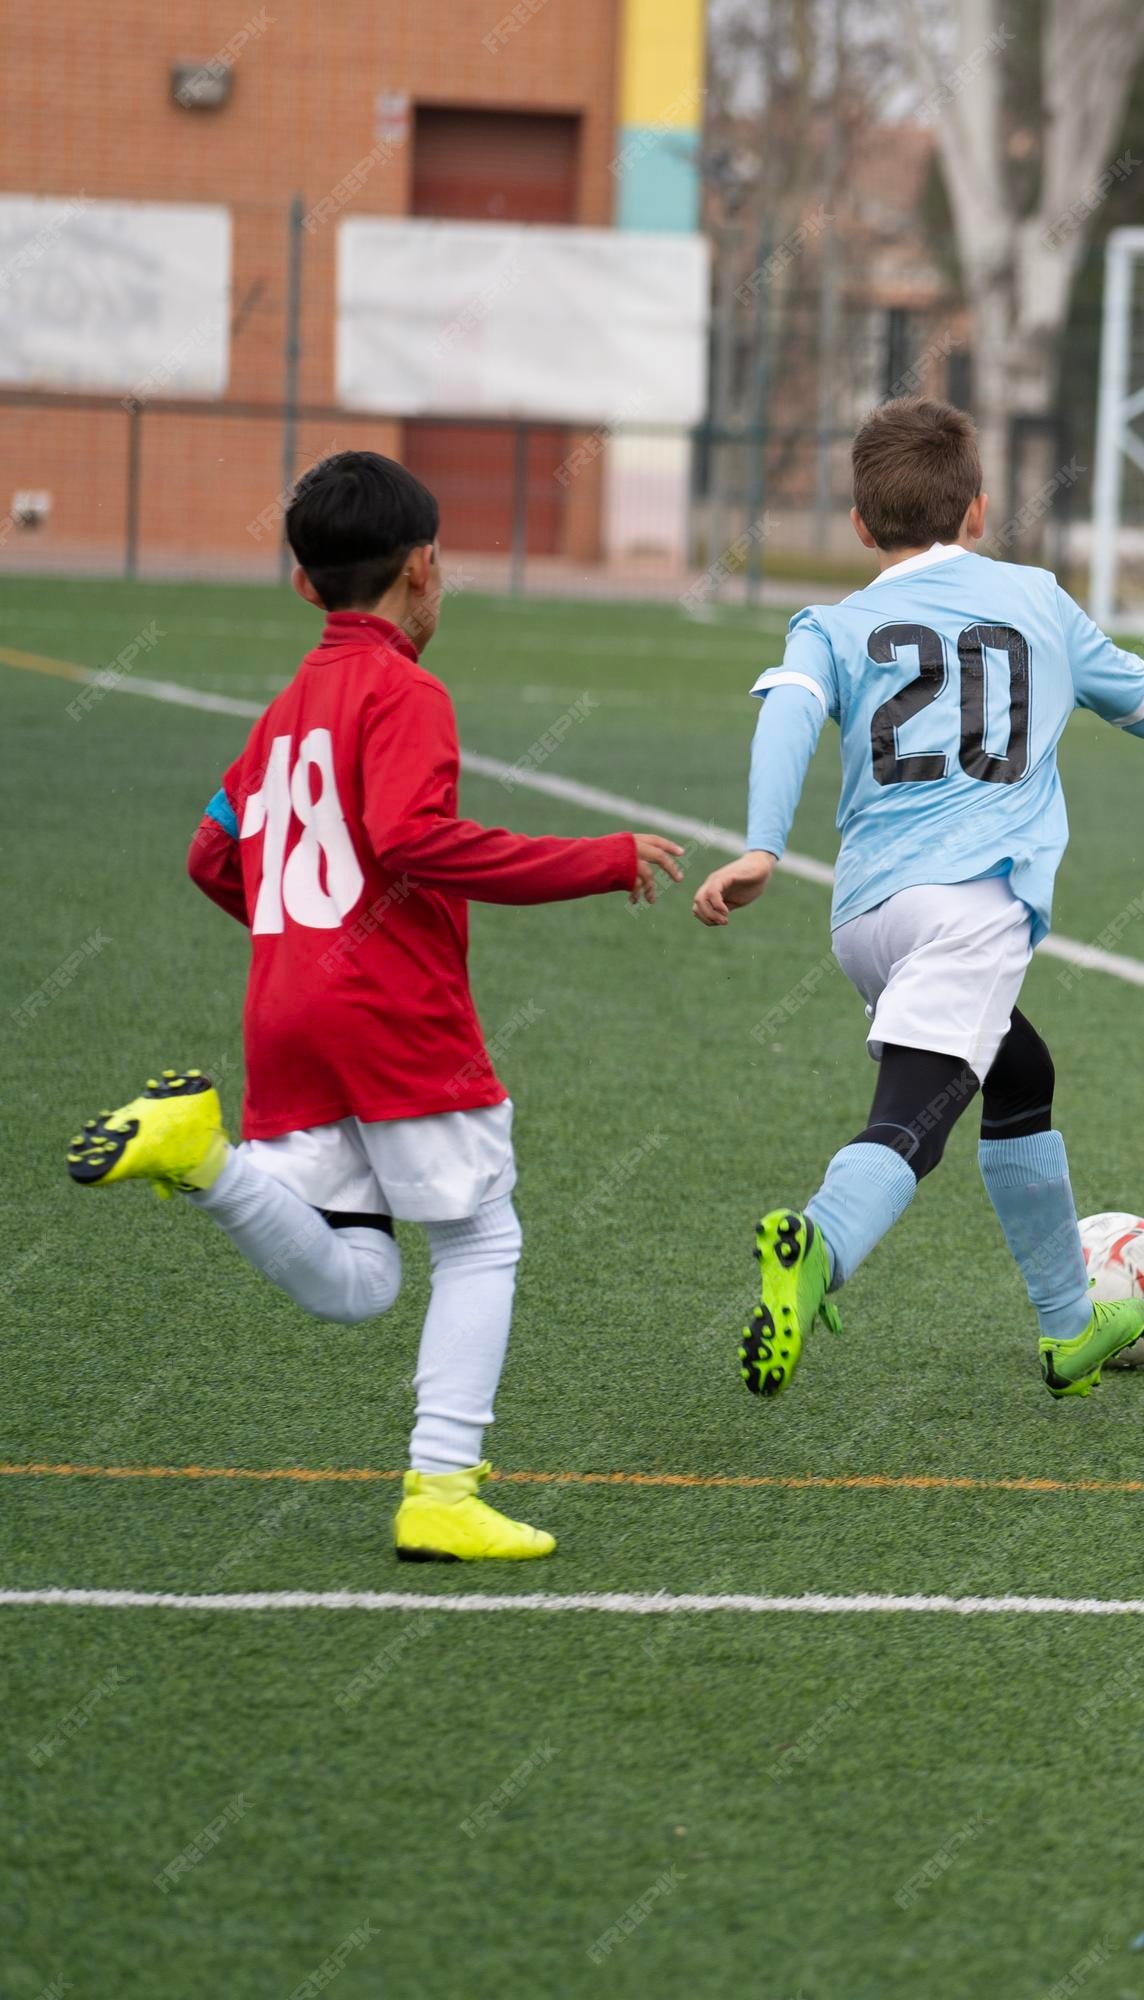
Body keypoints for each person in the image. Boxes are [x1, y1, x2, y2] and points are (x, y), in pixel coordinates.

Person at [66, 450, 683, 1559]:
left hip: (289, 1010)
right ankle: (441, 1491)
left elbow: (215, 853)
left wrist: (299, 941)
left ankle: (204, 1157)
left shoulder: (285, 710)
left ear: (306, 586)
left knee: (359, 1279)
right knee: (481, 1240)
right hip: (390, 1013)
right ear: (424, 566)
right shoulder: (405, 690)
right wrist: (599, 857)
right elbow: (411, 837)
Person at [692, 398, 1144, 1401]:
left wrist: (759, 850)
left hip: (865, 915)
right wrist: (1109, 683)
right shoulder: (1037, 596)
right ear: (980, 509)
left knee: (1019, 1069)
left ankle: (1068, 1331)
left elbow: (787, 710)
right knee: (916, 1115)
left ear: (862, 526)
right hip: (969, 905)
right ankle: (815, 1246)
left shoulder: (831, 621)